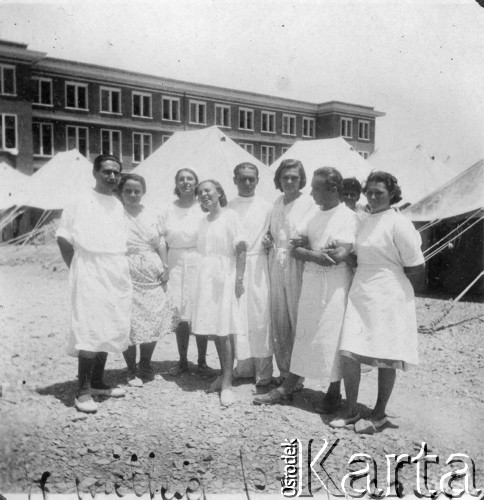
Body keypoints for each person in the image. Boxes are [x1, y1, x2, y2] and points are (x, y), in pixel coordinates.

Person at [330, 171, 425, 434]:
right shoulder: (362, 220)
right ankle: (352, 410)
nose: (372, 197)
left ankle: (379, 414)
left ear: (392, 194)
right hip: (361, 290)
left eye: (379, 192)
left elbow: (416, 266)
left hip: (390, 293)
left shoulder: (400, 223)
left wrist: (400, 298)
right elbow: (358, 255)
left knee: (386, 355)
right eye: (369, 192)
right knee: (349, 351)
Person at [254, 167, 357, 408]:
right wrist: (315, 253)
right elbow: (293, 247)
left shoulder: (347, 216)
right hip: (311, 281)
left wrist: (314, 252)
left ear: (332, 189)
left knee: (331, 334)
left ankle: (334, 391)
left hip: (335, 286)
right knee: (305, 333)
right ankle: (288, 387)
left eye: (315, 188)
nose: (310, 193)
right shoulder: (313, 215)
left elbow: (341, 253)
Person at [56, 154, 131, 413]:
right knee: (89, 326)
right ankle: (83, 391)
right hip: (89, 267)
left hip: (115, 269)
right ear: (95, 173)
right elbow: (64, 238)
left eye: (116, 173)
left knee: (109, 324)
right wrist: (78, 268)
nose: (112, 177)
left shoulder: (117, 203)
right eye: (106, 172)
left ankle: (98, 381)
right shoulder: (79, 201)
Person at [119, 173, 179, 387]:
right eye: (128, 191)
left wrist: (165, 266)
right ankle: (131, 369)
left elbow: (161, 242)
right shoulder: (116, 213)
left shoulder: (152, 214)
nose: (133, 195)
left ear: (143, 192)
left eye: (137, 191)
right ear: (121, 192)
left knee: (153, 317)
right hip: (126, 271)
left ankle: (145, 364)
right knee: (130, 321)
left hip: (152, 272)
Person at [191, 180, 247, 406]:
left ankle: (227, 383)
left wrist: (239, 279)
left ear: (219, 193)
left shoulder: (230, 216)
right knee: (215, 328)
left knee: (225, 330)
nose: (204, 195)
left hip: (226, 275)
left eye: (208, 191)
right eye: (200, 192)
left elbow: (241, 249)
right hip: (207, 277)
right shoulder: (203, 221)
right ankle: (223, 373)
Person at [266, 159, 316, 383]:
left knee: (297, 318)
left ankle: (298, 376)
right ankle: (285, 371)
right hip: (276, 261)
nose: (289, 181)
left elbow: (314, 233)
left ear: (301, 180)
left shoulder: (309, 203)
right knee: (279, 318)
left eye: (294, 177)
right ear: (278, 179)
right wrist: (269, 238)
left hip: (298, 264)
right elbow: (274, 231)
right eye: (285, 177)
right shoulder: (277, 202)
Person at [160, 168, 211, 376]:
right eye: (181, 179)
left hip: (199, 260)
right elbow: (161, 239)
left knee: (199, 310)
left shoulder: (204, 208)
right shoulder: (167, 210)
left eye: (190, 179)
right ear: (176, 184)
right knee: (180, 314)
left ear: (196, 183)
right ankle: (182, 361)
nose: (186, 182)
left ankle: (201, 362)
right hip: (175, 261)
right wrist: (164, 265)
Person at [229, 162, 273, 387]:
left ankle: (263, 373)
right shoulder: (228, 206)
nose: (247, 183)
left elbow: (274, 233)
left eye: (251, 179)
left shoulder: (267, 206)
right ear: (234, 179)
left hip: (259, 266)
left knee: (260, 317)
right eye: (242, 178)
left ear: (257, 180)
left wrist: (270, 241)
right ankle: (243, 367)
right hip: (237, 266)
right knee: (239, 316)